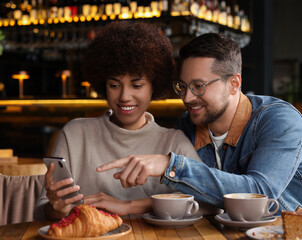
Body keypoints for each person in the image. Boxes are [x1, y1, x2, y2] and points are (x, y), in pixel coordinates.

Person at [96, 33, 302, 223]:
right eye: (182, 86)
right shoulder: (188, 125)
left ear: (233, 84)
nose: (188, 97)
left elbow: (260, 194)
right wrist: (128, 206)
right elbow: (189, 198)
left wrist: (170, 166)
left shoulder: (280, 121)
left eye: (199, 86)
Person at [34, 21, 201, 220]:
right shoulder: (75, 133)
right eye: (114, 85)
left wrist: (130, 206)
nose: (124, 96)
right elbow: (41, 211)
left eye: (137, 85)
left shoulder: (174, 142)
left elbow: (208, 201)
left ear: (153, 87)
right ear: (103, 85)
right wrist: (56, 208)